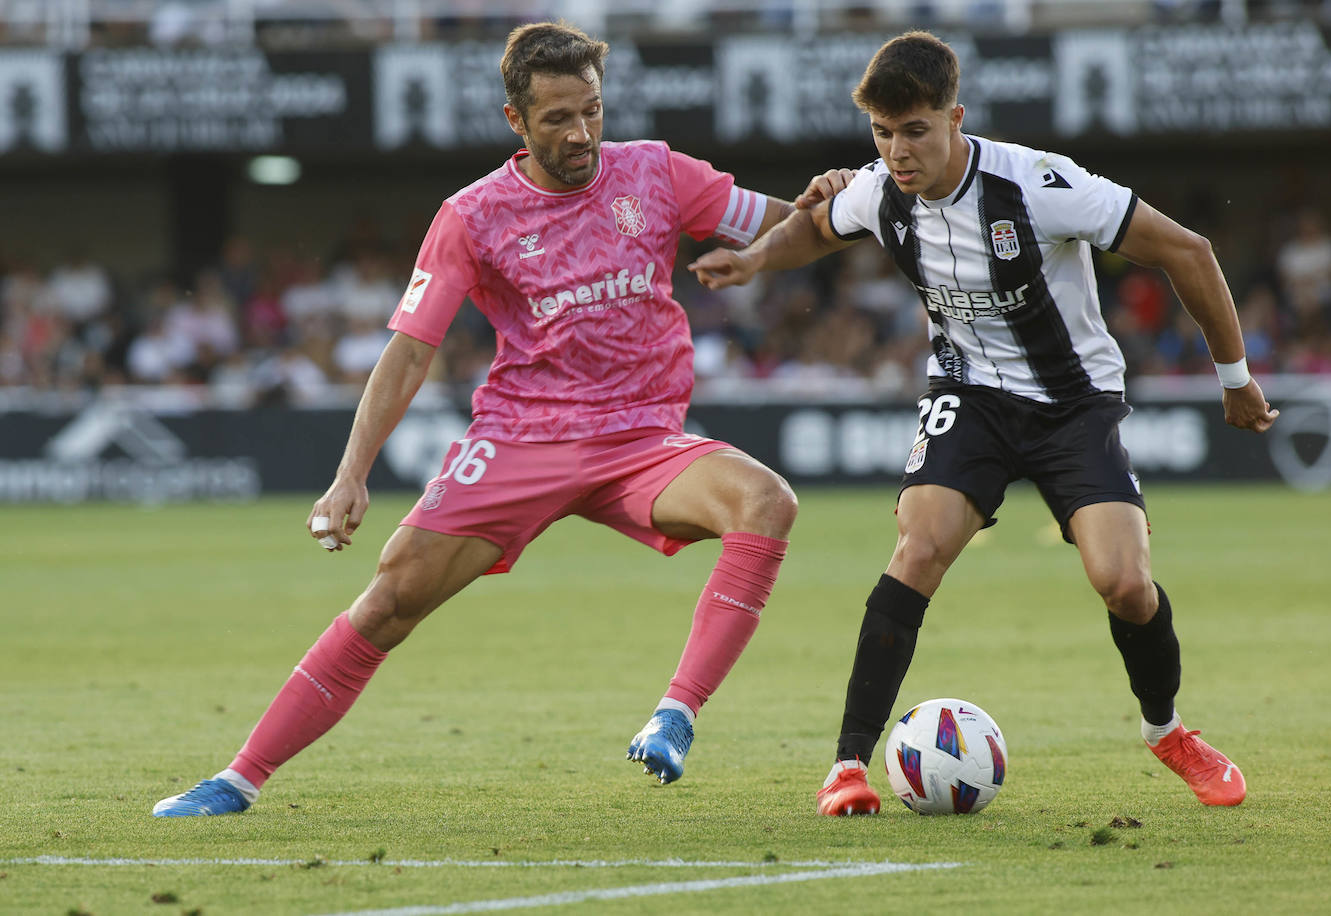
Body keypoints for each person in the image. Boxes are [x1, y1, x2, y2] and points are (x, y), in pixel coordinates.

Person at [153, 21, 848, 817]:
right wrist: (350, 475)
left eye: (591, 109)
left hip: (642, 440)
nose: (581, 131)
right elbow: (411, 350)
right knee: (387, 603)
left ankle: (674, 716)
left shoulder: (655, 172)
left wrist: (839, 200)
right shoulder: (474, 215)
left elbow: (790, 226)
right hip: (521, 441)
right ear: (516, 120)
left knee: (769, 502)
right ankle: (238, 779)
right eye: (557, 117)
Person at [690, 30, 1278, 815]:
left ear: (955, 117)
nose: (898, 152)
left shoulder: (1038, 184)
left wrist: (1234, 379)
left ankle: (1168, 732)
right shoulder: (879, 188)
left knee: (1125, 584)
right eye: (883, 134)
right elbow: (818, 225)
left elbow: (1189, 250)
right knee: (919, 545)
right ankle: (847, 767)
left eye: (916, 131)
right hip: (969, 396)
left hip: (1074, 404)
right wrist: (757, 259)